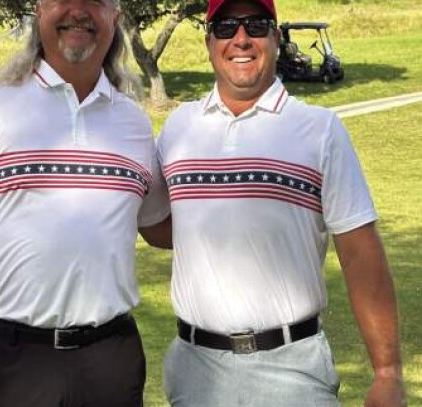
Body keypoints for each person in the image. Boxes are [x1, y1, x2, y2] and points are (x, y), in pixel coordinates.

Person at [0, 0, 171, 406]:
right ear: (40, 10)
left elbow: (156, 225)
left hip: (111, 359)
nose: (78, 11)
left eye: (95, 2)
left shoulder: (134, 123)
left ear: (114, 18)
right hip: (14, 361)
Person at [157, 0, 406, 406]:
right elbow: (159, 223)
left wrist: (387, 373)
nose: (241, 39)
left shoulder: (320, 130)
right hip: (195, 368)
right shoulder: (178, 128)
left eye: (255, 26)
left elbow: (361, 253)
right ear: (208, 42)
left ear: (275, 38)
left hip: (293, 369)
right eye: (226, 28)